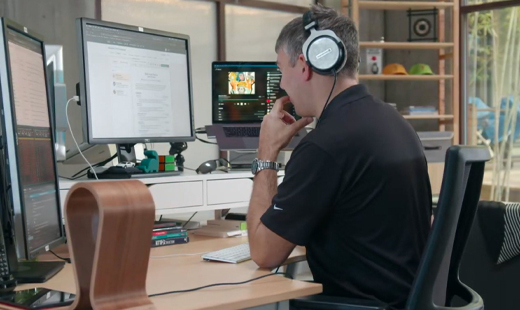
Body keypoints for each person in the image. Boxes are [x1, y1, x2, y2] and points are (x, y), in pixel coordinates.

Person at [246, 4, 432, 310]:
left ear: (305, 65)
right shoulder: (395, 123)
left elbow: (264, 253)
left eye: (282, 70)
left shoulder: (325, 146)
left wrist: (266, 154)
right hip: (403, 300)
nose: (281, 84)